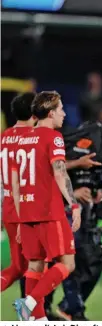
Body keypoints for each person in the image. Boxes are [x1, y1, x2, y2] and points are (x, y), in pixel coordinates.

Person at [11, 90, 81, 321]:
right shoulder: (53, 137)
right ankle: (29, 303)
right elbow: (60, 174)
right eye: (60, 109)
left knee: (35, 265)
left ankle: (38, 322)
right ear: (50, 113)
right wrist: (74, 204)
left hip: (26, 211)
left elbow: (15, 181)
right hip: (49, 212)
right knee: (67, 264)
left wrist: (19, 216)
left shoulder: (22, 138)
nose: (64, 113)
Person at [1, 92, 36, 292]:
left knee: (20, 267)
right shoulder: (31, 138)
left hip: (9, 208)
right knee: (39, 262)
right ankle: (35, 314)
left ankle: (33, 313)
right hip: (25, 207)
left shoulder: (5, 136)